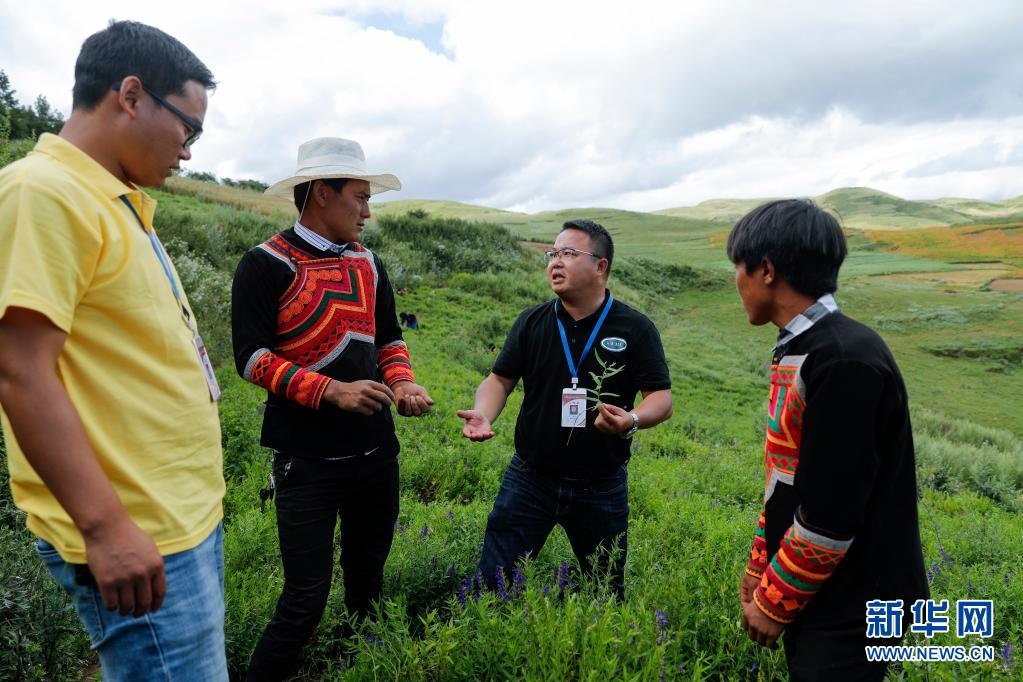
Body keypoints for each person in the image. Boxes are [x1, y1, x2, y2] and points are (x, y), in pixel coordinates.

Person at [0, 20, 227, 681]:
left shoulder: (116, 201)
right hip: (137, 529)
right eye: (190, 127)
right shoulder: (42, 193)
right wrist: (104, 529)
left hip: (178, 518)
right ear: (131, 95)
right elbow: (18, 370)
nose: (188, 150)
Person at [231, 137, 434, 681]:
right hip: (306, 463)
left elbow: (388, 339)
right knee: (304, 601)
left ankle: (358, 669)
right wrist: (332, 391)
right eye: (360, 198)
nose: (367, 212)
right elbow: (250, 359)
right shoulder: (264, 264)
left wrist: (405, 385)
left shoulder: (370, 264)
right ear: (322, 192)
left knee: (368, 583)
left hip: (376, 455)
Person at [730, 200, 928, 681]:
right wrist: (762, 565)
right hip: (826, 588)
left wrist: (777, 601)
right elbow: (786, 477)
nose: (736, 281)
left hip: (858, 600)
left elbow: (832, 511)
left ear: (768, 270)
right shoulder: (804, 345)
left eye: (739, 267)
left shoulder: (843, 361)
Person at [458, 219, 673, 599]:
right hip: (530, 479)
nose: (555, 261)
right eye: (552, 254)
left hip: (601, 485)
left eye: (568, 253)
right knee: (491, 586)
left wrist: (631, 419)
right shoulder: (532, 322)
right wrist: (484, 413)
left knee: (603, 592)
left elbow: (661, 398)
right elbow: (499, 380)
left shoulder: (635, 328)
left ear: (601, 266)